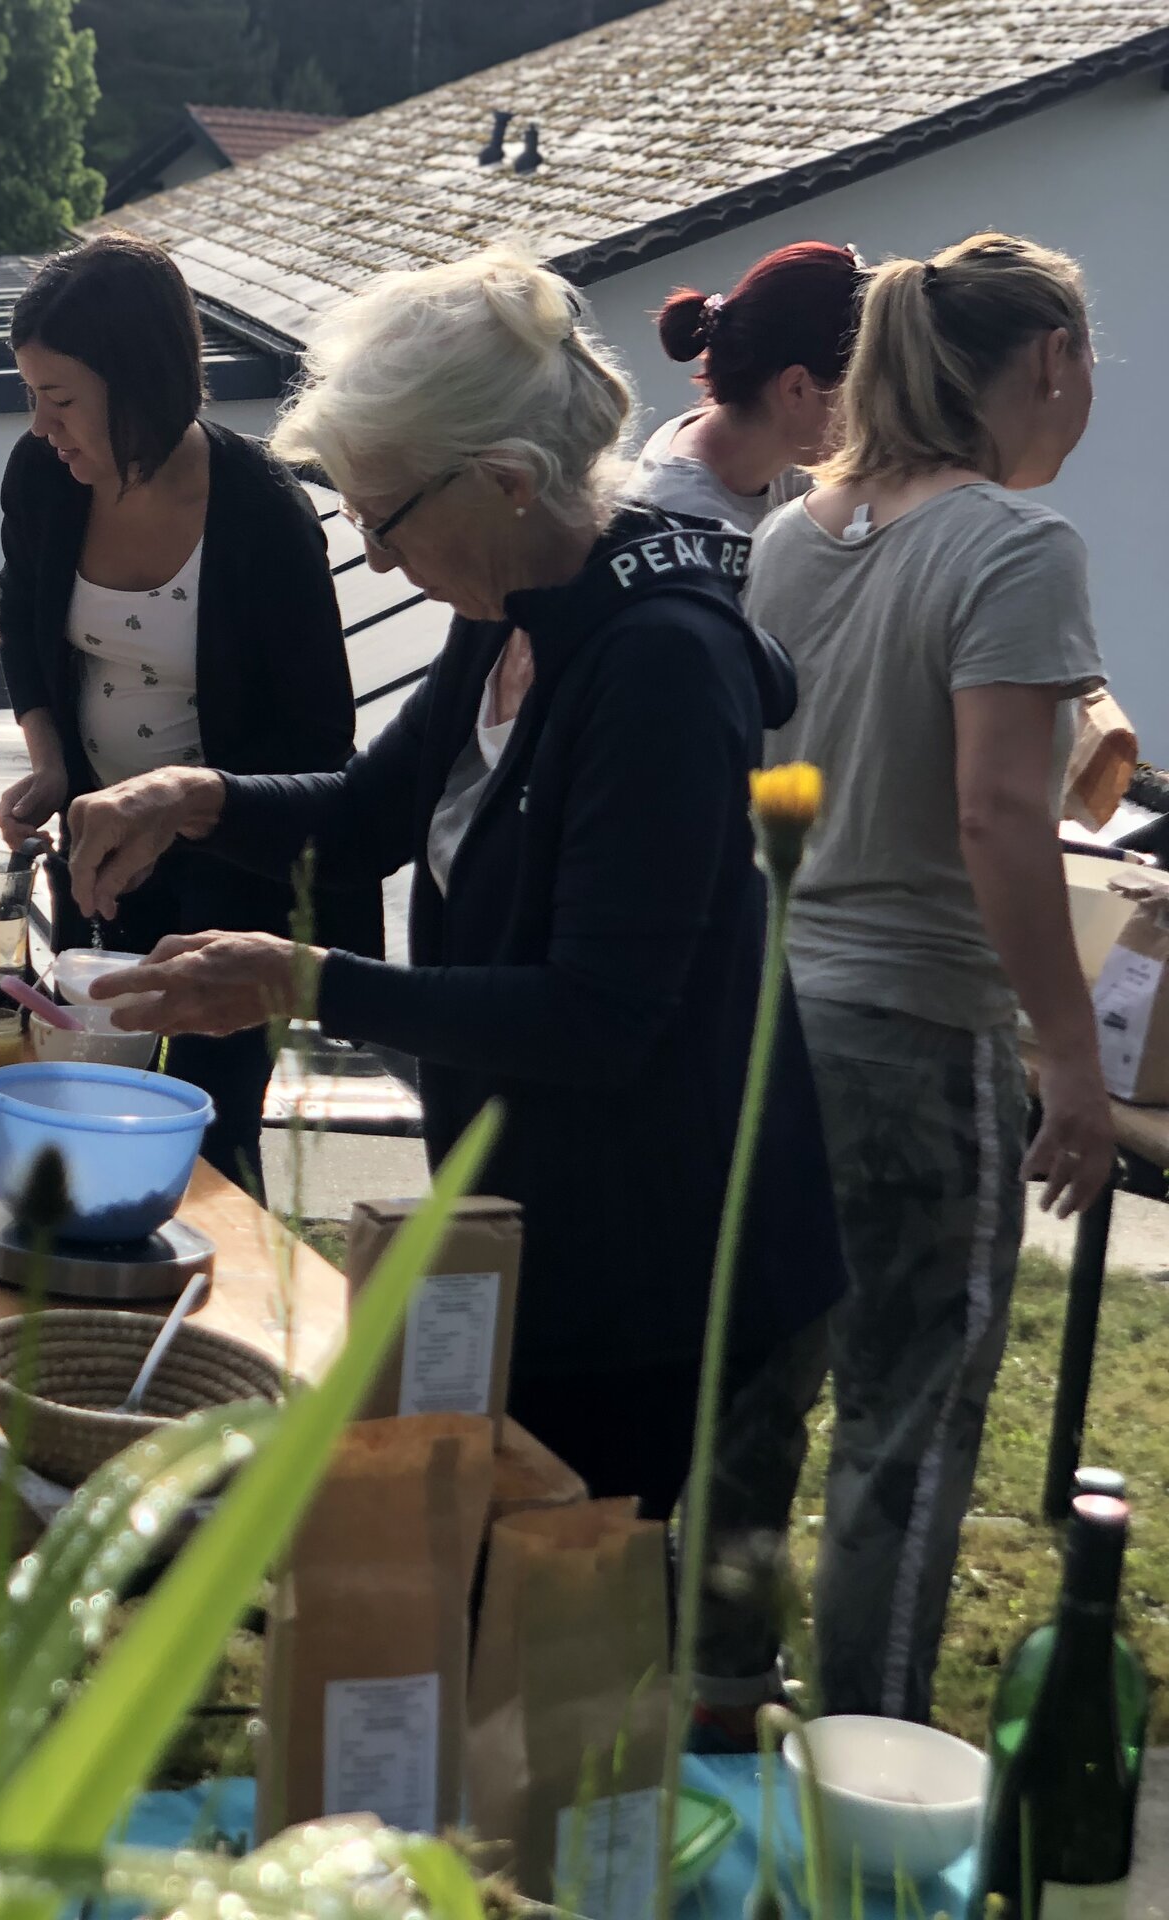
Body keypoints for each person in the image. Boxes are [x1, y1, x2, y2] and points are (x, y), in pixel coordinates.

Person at [62, 239, 845, 1515]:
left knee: (597, 1659)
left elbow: (598, 1014)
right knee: (492, 1629)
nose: (374, 557)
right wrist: (194, 799)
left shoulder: (658, 669)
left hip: (673, 1279)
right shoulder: (514, 606)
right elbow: (376, 810)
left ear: (508, 481)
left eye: (384, 515)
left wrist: (304, 980)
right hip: (545, 1229)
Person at [749, 233, 1111, 1723]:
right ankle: (865, 1760)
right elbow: (997, 815)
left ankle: (712, 1694)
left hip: (777, 1023)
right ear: (1051, 361)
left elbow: (772, 781)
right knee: (905, 1427)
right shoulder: (1023, 548)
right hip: (918, 1039)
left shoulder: (792, 535)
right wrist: (1071, 1058)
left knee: (757, 1390)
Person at [0, 234, 379, 1190]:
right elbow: (21, 616)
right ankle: (75, 1293)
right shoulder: (44, 478)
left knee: (209, 1129)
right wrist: (48, 758)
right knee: (87, 1087)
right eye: (32, 397)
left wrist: (185, 813)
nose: (44, 426)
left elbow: (321, 743)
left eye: (63, 400)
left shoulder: (264, 517)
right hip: (97, 849)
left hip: (235, 875)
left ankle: (208, 1309)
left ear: (140, 382)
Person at [630, 239, 864, 1746]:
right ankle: (701, 1675)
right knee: (743, 1351)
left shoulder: (745, 502)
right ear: (797, 390)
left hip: (732, 971)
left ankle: (691, 1656)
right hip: (698, 986)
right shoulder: (688, 542)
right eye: (864, 385)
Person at [632, 241, 865, 530]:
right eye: (860, 390)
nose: (873, 410)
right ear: (797, 389)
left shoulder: (775, 448)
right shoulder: (687, 522)